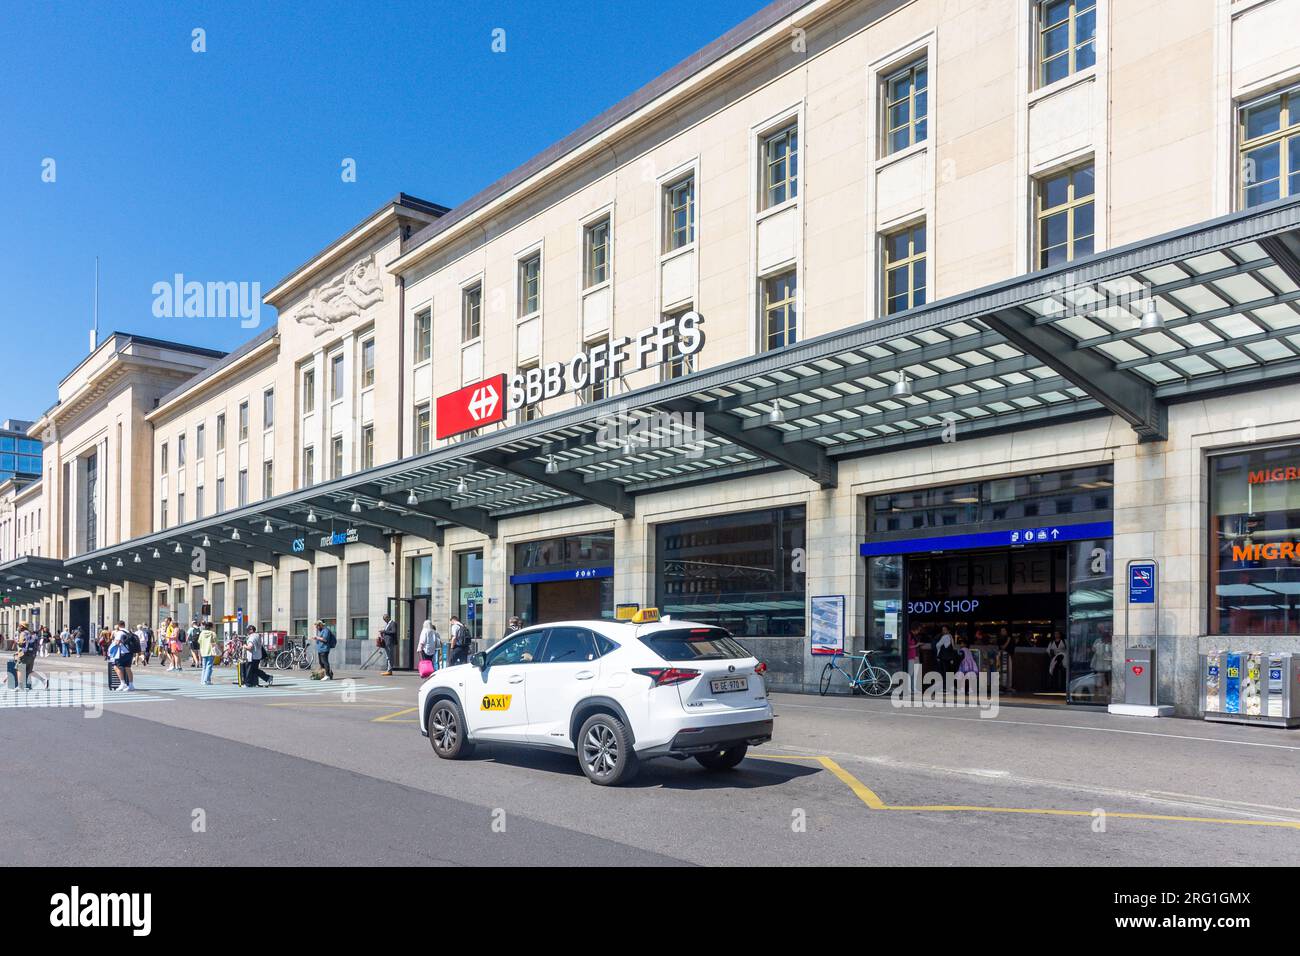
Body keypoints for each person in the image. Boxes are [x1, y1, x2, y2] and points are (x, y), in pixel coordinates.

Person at [15, 623, 48, 691]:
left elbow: (21, 643)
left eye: (19, 626)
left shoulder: (23, 633)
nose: (18, 627)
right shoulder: (31, 634)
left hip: (24, 654)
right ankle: (44, 680)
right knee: (29, 671)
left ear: (22, 627)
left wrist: (17, 642)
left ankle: (20, 686)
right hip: (32, 655)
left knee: (19, 669)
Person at [197, 620, 219, 685]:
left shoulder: (202, 633)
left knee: (204, 667)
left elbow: (199, 641)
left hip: (203, 651)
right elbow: (216, 641)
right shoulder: (212, 633)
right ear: (211, 627)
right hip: (210, 651)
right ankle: (206, 680)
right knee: (209, 666)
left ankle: (203, 680)